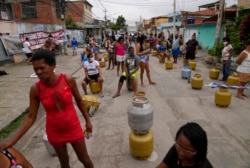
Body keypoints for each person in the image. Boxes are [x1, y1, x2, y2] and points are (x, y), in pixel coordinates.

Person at [0, 50, 94, 168]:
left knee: (85, 160)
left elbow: (79, 101)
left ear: (53, 66)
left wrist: (88, 121)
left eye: (42, 68)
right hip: (54, 132)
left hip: (73, 127)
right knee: (64, 164)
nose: (38, 72)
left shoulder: (67, 80)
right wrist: (13, 141)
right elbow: (30, 117)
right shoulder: (36, 89)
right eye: (35, 69)